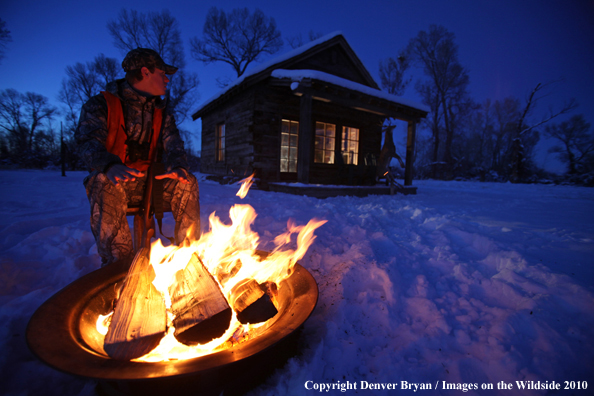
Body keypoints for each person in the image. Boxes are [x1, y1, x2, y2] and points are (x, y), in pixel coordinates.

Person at [75, 48, 200, 267]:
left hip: (152, 184)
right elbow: (87, 143)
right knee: (103, 181)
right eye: (163, 73)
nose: (167, 79)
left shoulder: (162, 112)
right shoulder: (100, 105)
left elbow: (175, 146)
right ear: (145, 72)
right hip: (116, 184)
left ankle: (188, 261)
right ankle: (119, 268)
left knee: (187, 182)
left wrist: (179, 166)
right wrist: (110, 165)